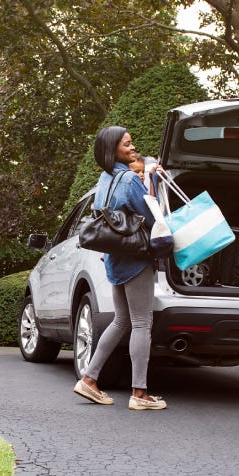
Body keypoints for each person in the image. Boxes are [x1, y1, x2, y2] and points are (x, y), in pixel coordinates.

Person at [73, 125, 167, 411]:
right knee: (141, 323)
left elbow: (110, 217)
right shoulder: (129, 179)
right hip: (135, 257)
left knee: (122, 321)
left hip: (114, 257)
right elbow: (152, 216)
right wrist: (154, 180)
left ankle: (89, 379)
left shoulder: (105, 178)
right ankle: (140, 393)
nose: (132, 147)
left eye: (132, 143)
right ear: (112, 148)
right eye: (127, 144)